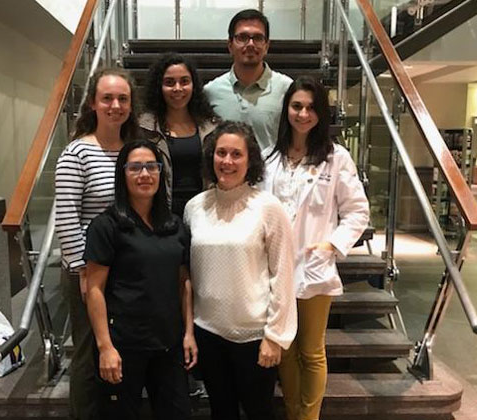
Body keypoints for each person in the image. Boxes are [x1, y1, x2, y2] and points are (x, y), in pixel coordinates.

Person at [261, 77, 370, 420]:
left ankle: (309, 417)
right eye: (297, 106)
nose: (303, 113)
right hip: (275, 267)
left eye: (311, 107)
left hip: (313, 267)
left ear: (321, 113)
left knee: (311, 350)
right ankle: (293, 411)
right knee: (286, 348)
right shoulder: (269, 158)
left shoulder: (336, 158)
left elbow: (358, 211)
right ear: (286, 110)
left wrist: (331, 245)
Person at [184, 121, 297, 420]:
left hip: (254, 336)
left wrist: (274, 336)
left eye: (236, 154)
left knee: (259, 412)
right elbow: (189, 278)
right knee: (221, 412)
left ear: (251, 160)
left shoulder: (268, 208)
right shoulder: (194, 208)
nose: (227, 161)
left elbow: (284, 274)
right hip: (208, 332)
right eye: (221, 153)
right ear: (211, 157)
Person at [83, 140, 196, 420]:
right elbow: (93, 289)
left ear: (161, 173)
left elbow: (184, 282)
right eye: (135, 167)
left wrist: (189, 333)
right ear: (123, 174)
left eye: (151, 167)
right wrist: (105, 347)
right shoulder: (106, 226)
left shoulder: (174, 225)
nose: (144, 174)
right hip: (123, 345)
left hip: (168, 345)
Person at [54, 68, 137, 420]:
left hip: (126, 268)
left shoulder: (133, 151)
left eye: (123, 99)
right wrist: (80, 271)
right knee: (90, 353)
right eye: (107, 98)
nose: (115, 105)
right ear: (93, 103)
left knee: (120, 350)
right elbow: (67, 218)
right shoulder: (76, 154)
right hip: (90, 273)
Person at [140, 52, 219, 217]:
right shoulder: (145, 128)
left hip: (204, 213)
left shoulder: (211, 126)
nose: (177, 88)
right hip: (160, 213)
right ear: (159, 87)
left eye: (184, 81)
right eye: (169, 82)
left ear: (194, 85)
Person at [204, 9, 292, 152]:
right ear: (230, 45)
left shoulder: (286, 88)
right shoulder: (211, 91)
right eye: (242, 37)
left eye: (258, 38)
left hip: (272, 174)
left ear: (266, 46)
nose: (250, 44)